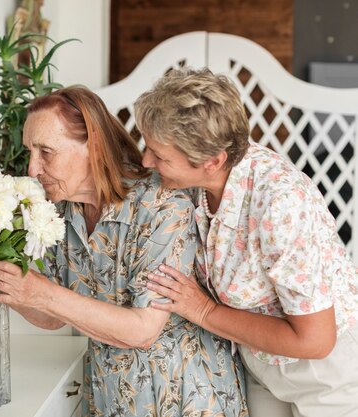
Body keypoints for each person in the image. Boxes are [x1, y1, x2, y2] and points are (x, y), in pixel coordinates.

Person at [0, 86, 248, 417]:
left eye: (46, 151)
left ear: (95, 148)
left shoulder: (162, 206)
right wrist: (10, 287)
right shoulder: (61, 212)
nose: (33, 169)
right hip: (111, 397)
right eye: (30, 151)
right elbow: (51, 317)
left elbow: (143, 330)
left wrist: (40, 293)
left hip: (184, 398)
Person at [134, 67, 358, 417]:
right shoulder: (199, 183)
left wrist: (203, 310)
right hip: (261, 362)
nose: (147, 160)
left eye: (160, 156)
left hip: (328, 375)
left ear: (212, 161)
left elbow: (316, 340)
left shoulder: (280, 202)